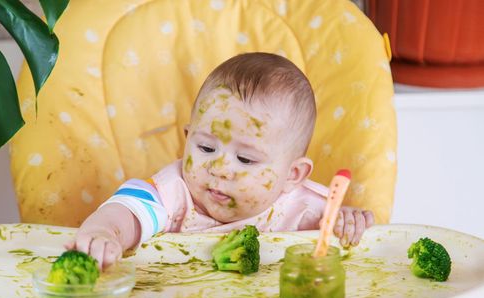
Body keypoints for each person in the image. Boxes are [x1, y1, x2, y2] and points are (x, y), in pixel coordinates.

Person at [67, 52, 374, 269]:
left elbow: (360, 254)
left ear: (292, 174)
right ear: (187, 139)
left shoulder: (311, 209)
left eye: (245, 158)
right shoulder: (175, 193)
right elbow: (130, 208)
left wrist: (348, 223)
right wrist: (107, 233)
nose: (220, 168)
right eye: (206, 148)